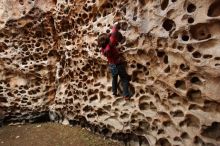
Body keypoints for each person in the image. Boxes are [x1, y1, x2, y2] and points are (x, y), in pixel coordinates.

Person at [98, 23, 131, 100]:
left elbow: (108, 39)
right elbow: (114, 34)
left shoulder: (103, 50)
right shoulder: (110, 45)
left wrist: (107, 36)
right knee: (124, 79)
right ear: (108, 40)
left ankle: (114, 92)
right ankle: (126, 95)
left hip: (111, 65)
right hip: (118, 64)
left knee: (114, 78)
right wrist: (115, 26)